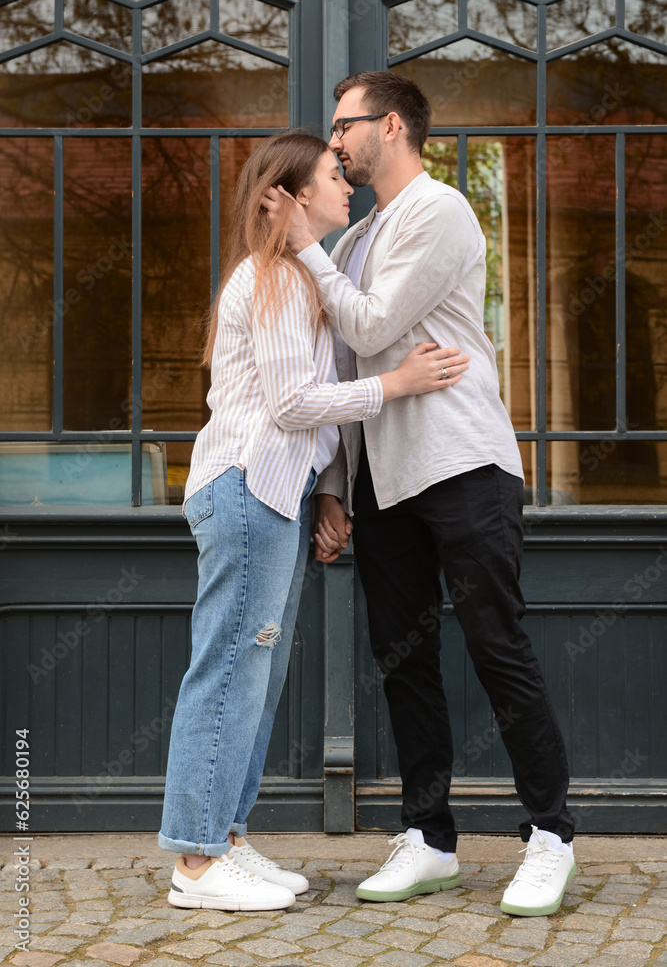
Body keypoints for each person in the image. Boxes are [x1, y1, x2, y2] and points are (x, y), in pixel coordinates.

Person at [264, 73, 576, 917]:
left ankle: (550, 835)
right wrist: (334, 488)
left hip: (463, 466)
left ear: (389, 125)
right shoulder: (360, 235)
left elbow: (368, 327)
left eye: (342, 125)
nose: (331, 141)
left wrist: (302, 250)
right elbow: (348, 368)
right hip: (383, 483)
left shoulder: (438, 211)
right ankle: (429, 837)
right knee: (403, 662)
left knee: (495, 646)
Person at [157, 130, 470, 913]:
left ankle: (224, 835)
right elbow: (293, 404)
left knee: (251, 678)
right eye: (333, 174)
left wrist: (324, 493)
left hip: (273, 492)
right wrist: (395, 384)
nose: (347, 184)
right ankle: (194, 861)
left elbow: (306, 412)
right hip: (245, 490)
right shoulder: (273, 278)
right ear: (293, 196)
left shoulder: (299, 279)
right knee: (227, 672)